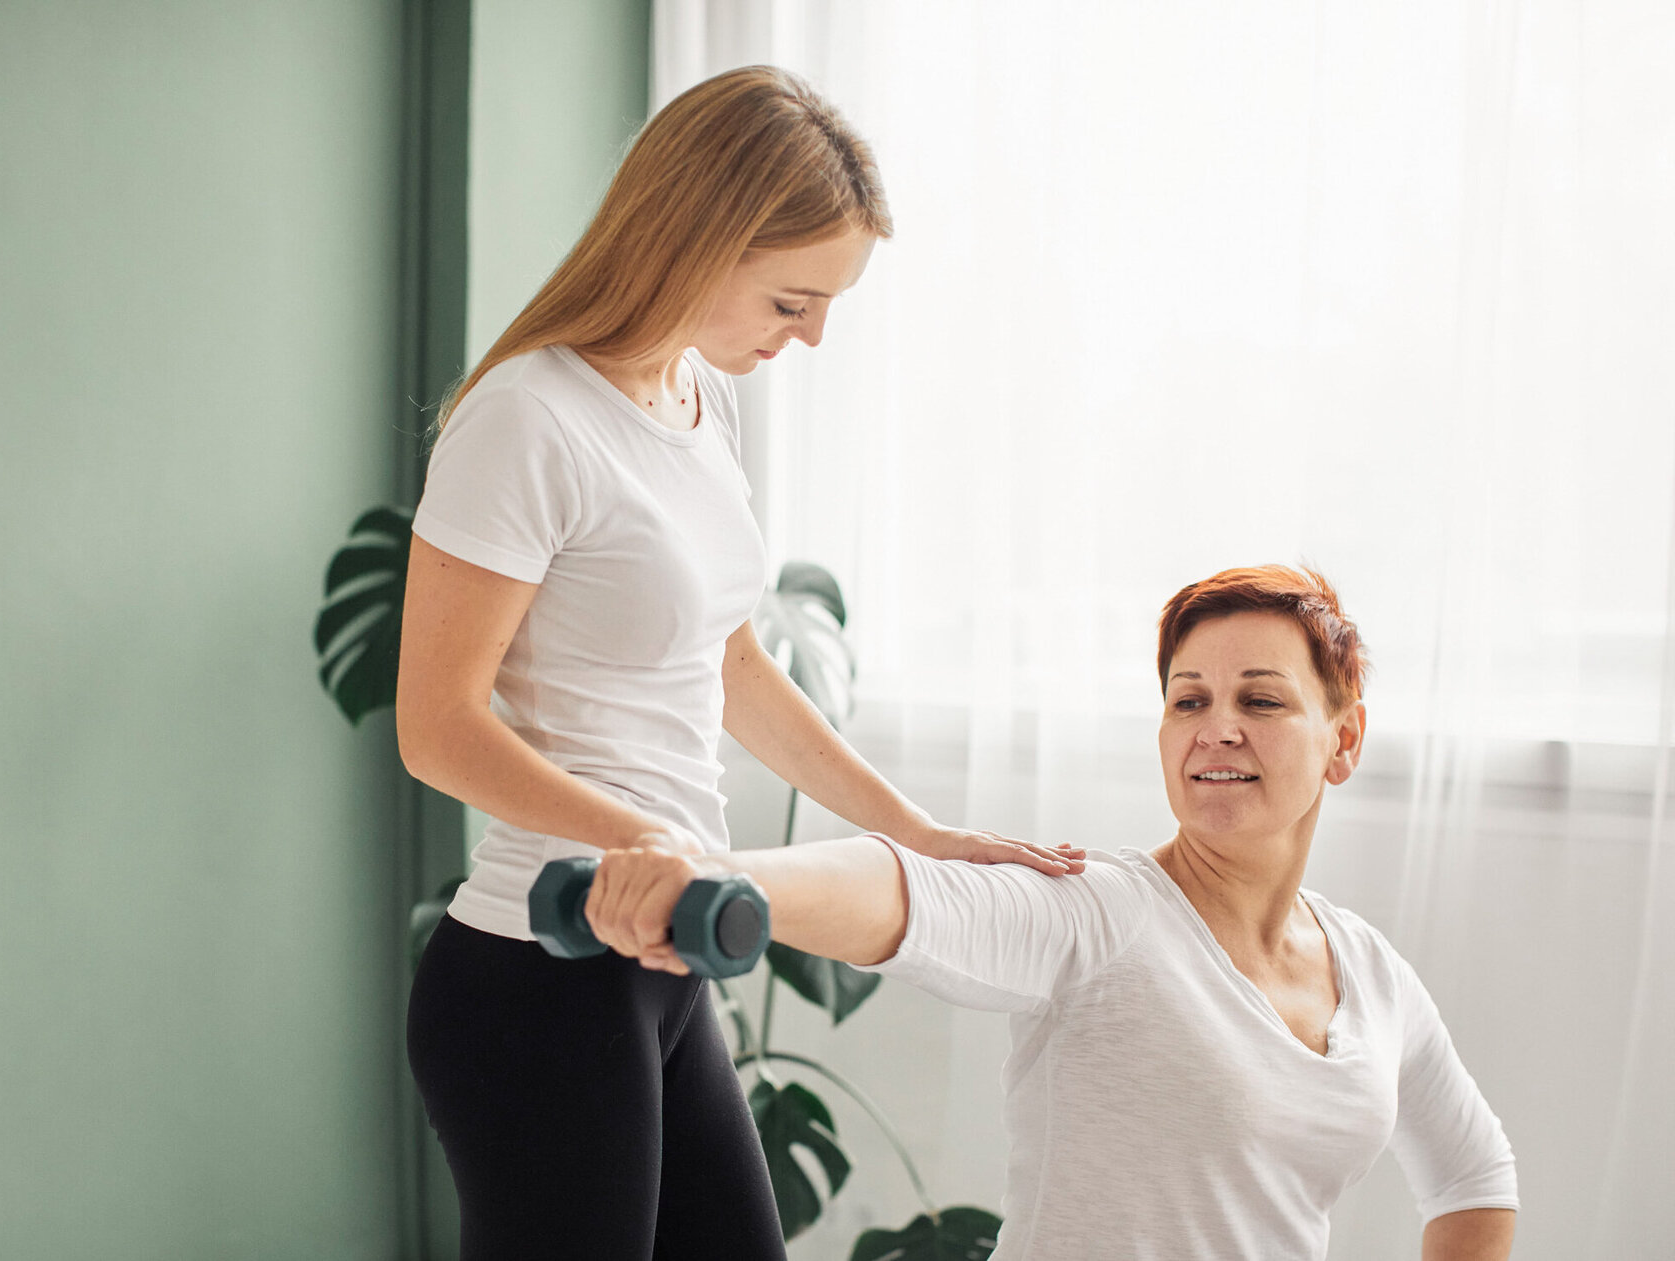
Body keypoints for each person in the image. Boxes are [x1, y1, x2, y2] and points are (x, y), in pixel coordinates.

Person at [397, 65, 1083, 1261]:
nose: (811, 334)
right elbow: (437, 725)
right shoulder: (529, 418)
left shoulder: (696, 405)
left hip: (659, 956)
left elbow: (735, 666)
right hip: (541, 969)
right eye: (791, 299)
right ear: (700, 239)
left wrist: (917, 831)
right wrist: (638, 836)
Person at [589, 565, 1520, 1260]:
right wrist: (714, 876)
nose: (1216, 726)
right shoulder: (1106, 913)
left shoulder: (1372, 974)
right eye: (1188, 699)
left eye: (1261, 700)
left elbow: (1473, 1176)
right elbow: (905, 894)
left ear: (1343, 739)